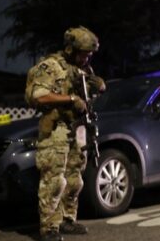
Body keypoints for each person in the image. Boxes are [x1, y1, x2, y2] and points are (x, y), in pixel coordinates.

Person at [26, 26, 105, 241]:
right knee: (54, 180)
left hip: (77, 128)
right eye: (84, 53)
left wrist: (98, 86)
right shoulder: (51, 66)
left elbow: (89, 95)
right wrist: (70, 100)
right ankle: (49, 228)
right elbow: (39, 96)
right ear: (70, 49)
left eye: (90, 54)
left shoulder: (84, 69)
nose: (87, 57)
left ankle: (67, 220)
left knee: (74, 179)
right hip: (56, 129)